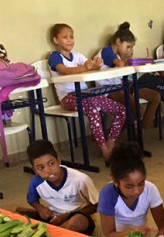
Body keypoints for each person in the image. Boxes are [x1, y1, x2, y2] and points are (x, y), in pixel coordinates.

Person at [48, 23, 127, 160]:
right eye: (65, 37)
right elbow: (65, 71)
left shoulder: (77, 55)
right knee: (93, 109)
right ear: (56, 40)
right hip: (68, 97)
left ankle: (110, 143)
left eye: (71, 37)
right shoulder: (55, 56)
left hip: (86, 94)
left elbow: (91, 67)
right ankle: (104, 150)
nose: (69, 40)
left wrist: (96, 64)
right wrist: (85, 68)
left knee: (121, 109)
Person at [98, 142, 164, 237]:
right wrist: (133, 232)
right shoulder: (108, 193)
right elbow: (109, 235)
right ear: (115, 181)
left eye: (141, 184)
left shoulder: (150, 189)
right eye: (129, 186)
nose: (136, 191)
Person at [18, 140, 98, 235]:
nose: (48, 170)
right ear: (35, 170)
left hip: (79, 215)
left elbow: (97, 205)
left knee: (77, 221)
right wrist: (40, 209)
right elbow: (32, 200)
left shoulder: (80, 179)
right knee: (17, 213)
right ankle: (57, 232)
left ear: (58, 161)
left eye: (51, 164)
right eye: (40, 168)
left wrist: (67, 215)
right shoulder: (36, 181)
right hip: (54, 217)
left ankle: (52, 236)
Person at [96, 22, 161, 130]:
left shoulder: (116, 55)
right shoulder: (106, 51)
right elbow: (121, 64)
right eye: (128, 47)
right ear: (118, 42)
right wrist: (130, 60)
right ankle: (114, 136)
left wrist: (144, 61)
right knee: (137, 110)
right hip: (108, 90)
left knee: (155, 97)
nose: (129, 50)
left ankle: (142, 130)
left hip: (123, 86)